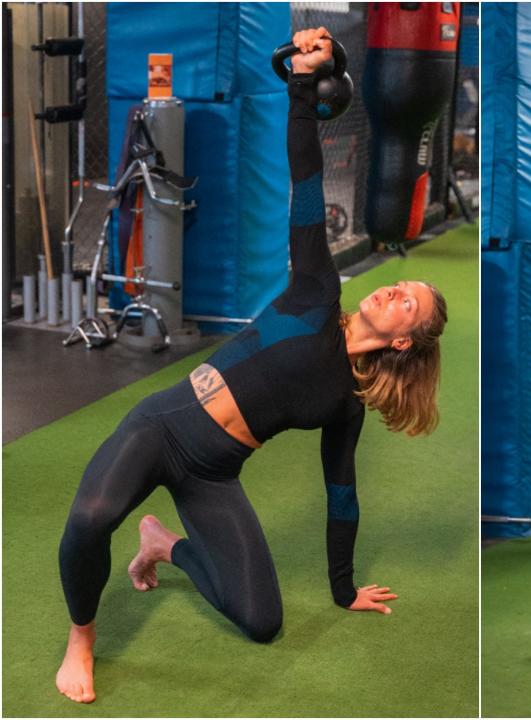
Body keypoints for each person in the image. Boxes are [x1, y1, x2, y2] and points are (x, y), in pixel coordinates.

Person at [56, 28, 448, 704]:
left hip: (213, 471)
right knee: (91, 518)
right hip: (166, 425)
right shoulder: (318, 289)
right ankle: (81, 640)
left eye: (409, 302)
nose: (394, 290)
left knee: (262, 621)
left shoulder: (345, 404)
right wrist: (302, 86)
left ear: (407, 341)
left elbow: (343, 497)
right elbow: (306, 176)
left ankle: (162, 542)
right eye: (401, 285)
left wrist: (344, 588)